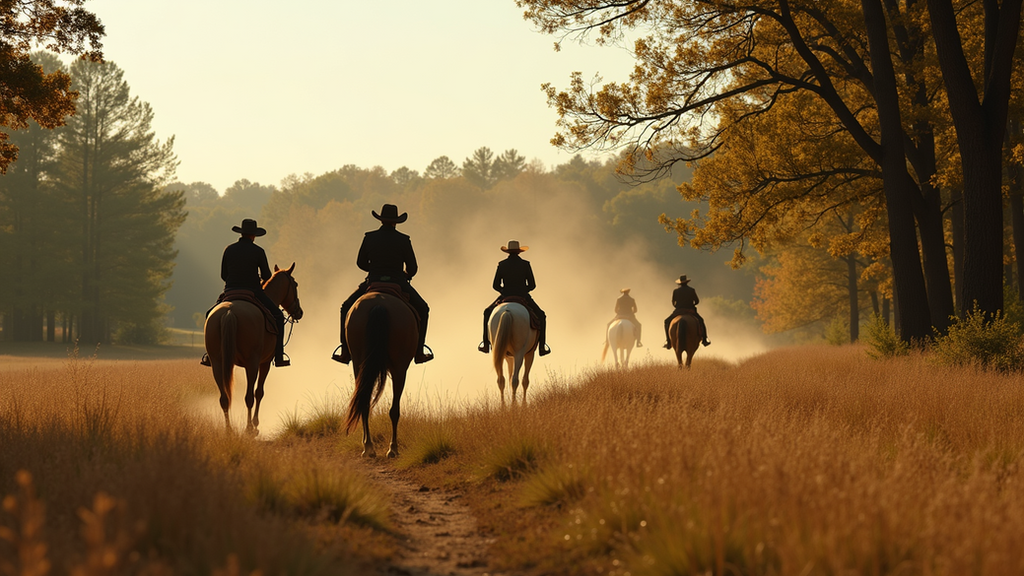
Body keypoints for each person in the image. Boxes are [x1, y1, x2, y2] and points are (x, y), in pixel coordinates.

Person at [335, 204, 432, 364]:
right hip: (398, 281)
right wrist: (406, 275)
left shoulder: (369, 237)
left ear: (380, 220)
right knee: (423, 308)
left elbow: (360, 263)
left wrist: (373, 268)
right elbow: (413, 268)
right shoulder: (403, 240)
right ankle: (419, 351)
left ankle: (345, 351)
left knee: (345, 307)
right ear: (396, 222)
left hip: (373, 281)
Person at [201, 218, 289, 367]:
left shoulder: (229, 249)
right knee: (279, 316)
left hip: (230, 291)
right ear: (254, 235)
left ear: (242, 233)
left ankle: (210, 355)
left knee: (209, 314)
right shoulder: (258, 251)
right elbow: (267, 276)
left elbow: (223, 275)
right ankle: (279, 356)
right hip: (253, 292)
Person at [478, 240, 550, 356]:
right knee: (541, 316)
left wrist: (504, 291)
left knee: (487, 313)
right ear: (519, 252)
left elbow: (495, 285)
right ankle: (542, 346)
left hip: (505, 295)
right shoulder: (525, 264)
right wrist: (523, 291)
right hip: (522, 295)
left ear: (508, 252)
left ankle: (486, 344)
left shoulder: (502, 264)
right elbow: (532, 285)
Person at [663, 275, 711, 348]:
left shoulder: (676, 291)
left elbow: (673, 303)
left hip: (678, 311)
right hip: (690, 310)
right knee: (701, 321)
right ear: (687, 282)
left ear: (680, 283)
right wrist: (692, 305)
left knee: (666, 322)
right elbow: (697, 301)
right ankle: (704, 340)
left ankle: (668, 341)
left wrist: (677, 307)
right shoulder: (691, 290)